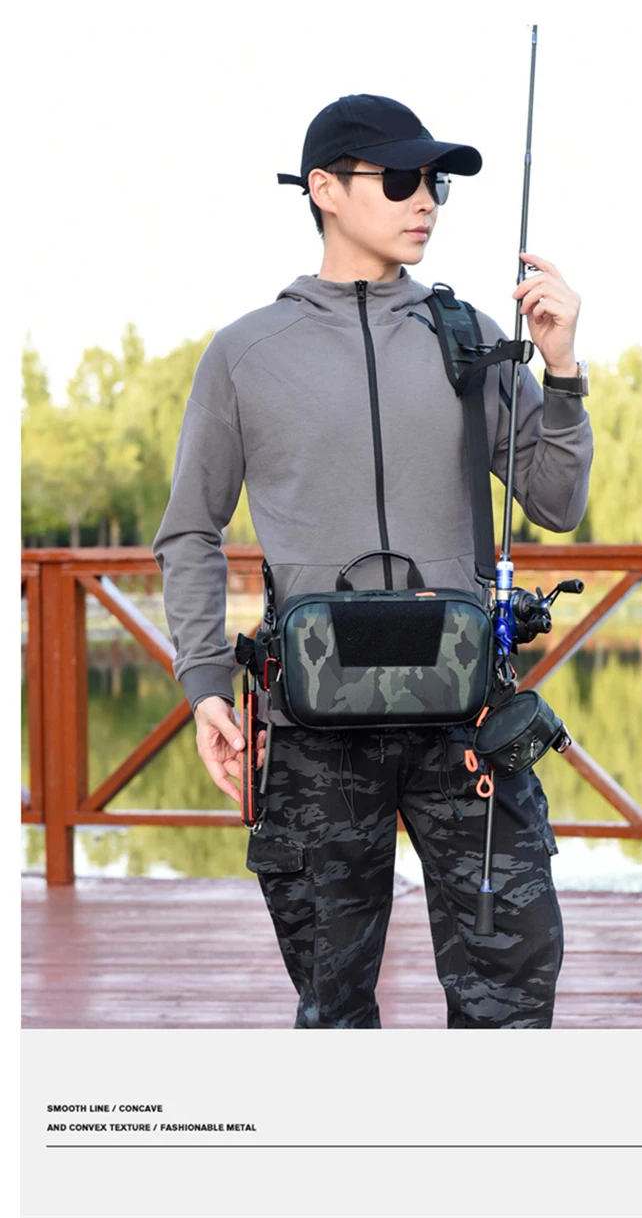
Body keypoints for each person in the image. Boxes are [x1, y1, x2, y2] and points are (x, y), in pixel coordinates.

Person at [153, 93, 593, 1029]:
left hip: (469, 724)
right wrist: (204, 686)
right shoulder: (244, 354)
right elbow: (190, 531)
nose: (424, 199)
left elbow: (556, 502)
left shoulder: (470, 337)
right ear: (324, 189)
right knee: (335, 1009)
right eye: (399, 179)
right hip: (312, 733)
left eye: (435, 182)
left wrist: (560, 371)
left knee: (512, 995)